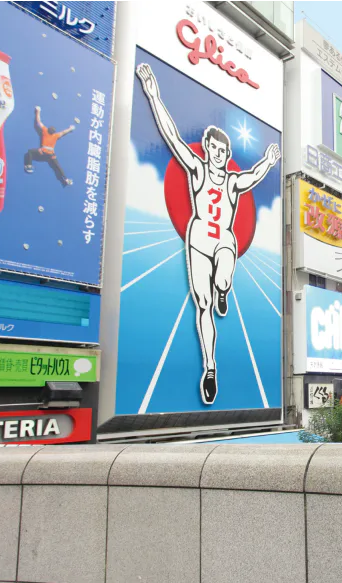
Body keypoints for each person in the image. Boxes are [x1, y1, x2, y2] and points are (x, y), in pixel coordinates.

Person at [136, 63, 281, 405]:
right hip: (199, 239)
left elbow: (253, 176)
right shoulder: (198, 171)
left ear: (227, 155)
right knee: (202, 305)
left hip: (223, 240)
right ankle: (210, 367)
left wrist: (269, 161)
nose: (217, 154)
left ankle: (223, 289)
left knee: (224, 272)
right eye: (213, 149)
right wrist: (153, 95)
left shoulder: (232, 181)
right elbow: (172, 137)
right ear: (207, 148)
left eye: (222, 151)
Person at [23, 106, 75, 186]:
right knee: (57, 167)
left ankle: (29, 166)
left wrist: (38, 111)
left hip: (43, 152)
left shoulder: (45, 131)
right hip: (51, 155)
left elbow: (38, 121)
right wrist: (70, 128)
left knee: (29, 152)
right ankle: (66, 179)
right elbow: (63, 132)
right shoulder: (55, 136)